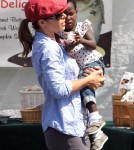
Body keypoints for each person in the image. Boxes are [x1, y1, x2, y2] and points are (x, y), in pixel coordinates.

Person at [18, 0, 105, 150]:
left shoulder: (54, 44)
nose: (64, 16)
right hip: (63, 126)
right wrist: (89, 79)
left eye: (64, 12)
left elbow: (71, 81)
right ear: (42, 22)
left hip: (74, 123)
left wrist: (93, 79)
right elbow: (59, 90)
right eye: (58, 15)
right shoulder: (48, 48)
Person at [56, 0, 108, 149]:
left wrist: (81, 40)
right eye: (64, 15)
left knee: (84, 83)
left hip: (93, 62)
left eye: (71, 13)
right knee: (83, 91)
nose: (68, 18)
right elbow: (63, 52)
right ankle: (97, 134)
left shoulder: (83, 26)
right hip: (80, 69)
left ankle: (95, 117)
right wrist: (70, 46)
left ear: (76, 13)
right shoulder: (59, 34)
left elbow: (93, 44)